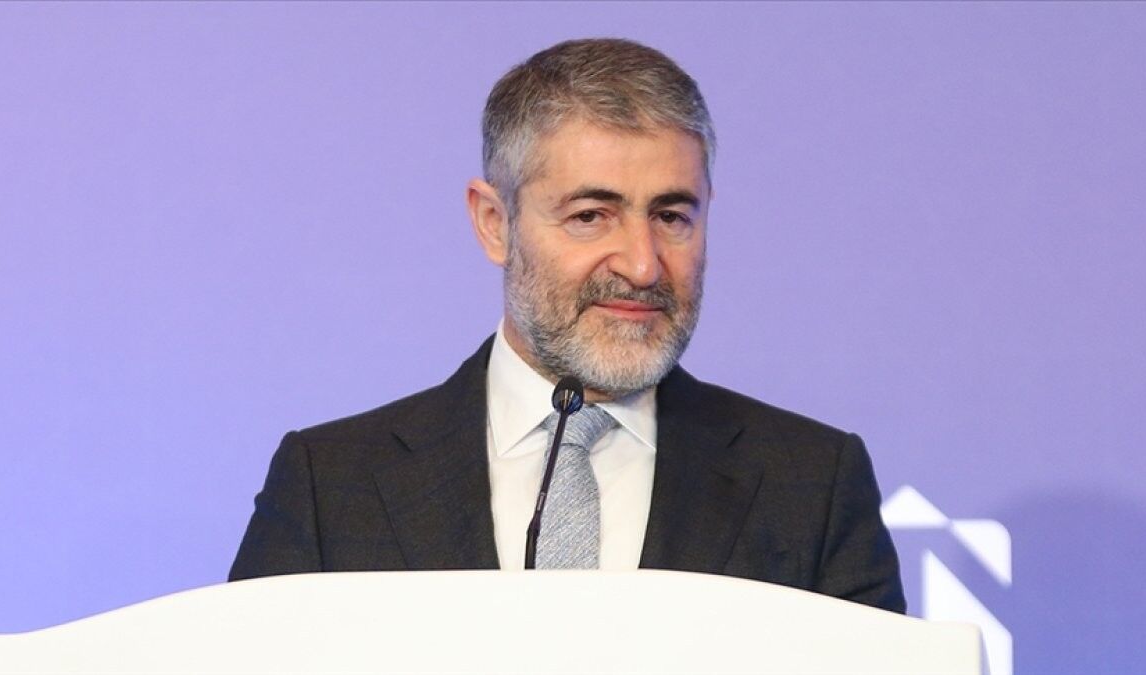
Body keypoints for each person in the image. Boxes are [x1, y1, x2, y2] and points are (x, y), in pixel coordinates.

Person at [229, 38, 905, 613]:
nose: (643, 264)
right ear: (494, 223)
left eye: (672, 216)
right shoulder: (330, 485)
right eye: (590, 216)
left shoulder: (812, 485)